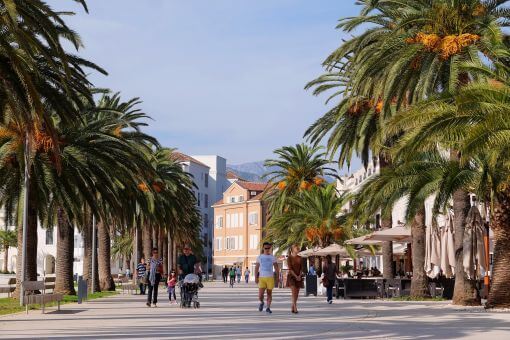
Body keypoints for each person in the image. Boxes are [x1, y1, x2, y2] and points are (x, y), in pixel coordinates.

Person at [255, 242, 279, 314]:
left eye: (269, 248)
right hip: (262, 278)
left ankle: (268, 307)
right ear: (263, 248)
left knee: (269, 294)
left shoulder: (273, 257)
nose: (267, 249)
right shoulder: (260, 257)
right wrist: (256, 277)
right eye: (266, 248)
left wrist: (277, 278)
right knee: (260, 295)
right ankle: (262, 302)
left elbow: (276, 268)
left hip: (270, 278)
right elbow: (256, 268)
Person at [287, 244, 304, 314]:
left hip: (299, 276)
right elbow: (290, 269)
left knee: (296, 294)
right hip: (291, 277)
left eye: (298, 247)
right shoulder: (289, 258)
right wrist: (296, 276)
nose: (297, 248)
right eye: (296, 247)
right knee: (293, 292)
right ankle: (295, 307)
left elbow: (301, 268)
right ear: (292, 249)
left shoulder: (300, 258)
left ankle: (292, 306)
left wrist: (299, 275)